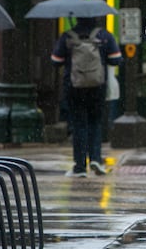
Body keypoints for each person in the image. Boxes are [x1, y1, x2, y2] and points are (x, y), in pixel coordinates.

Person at [51, 17, 122, 177]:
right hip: (98, 87)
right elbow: (116, 60)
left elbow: (55, 61)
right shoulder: (104, 35)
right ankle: (96, 158)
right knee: (95, 123)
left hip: (74, 87)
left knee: (78, 125)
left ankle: (80, 166)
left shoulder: (68, 36)